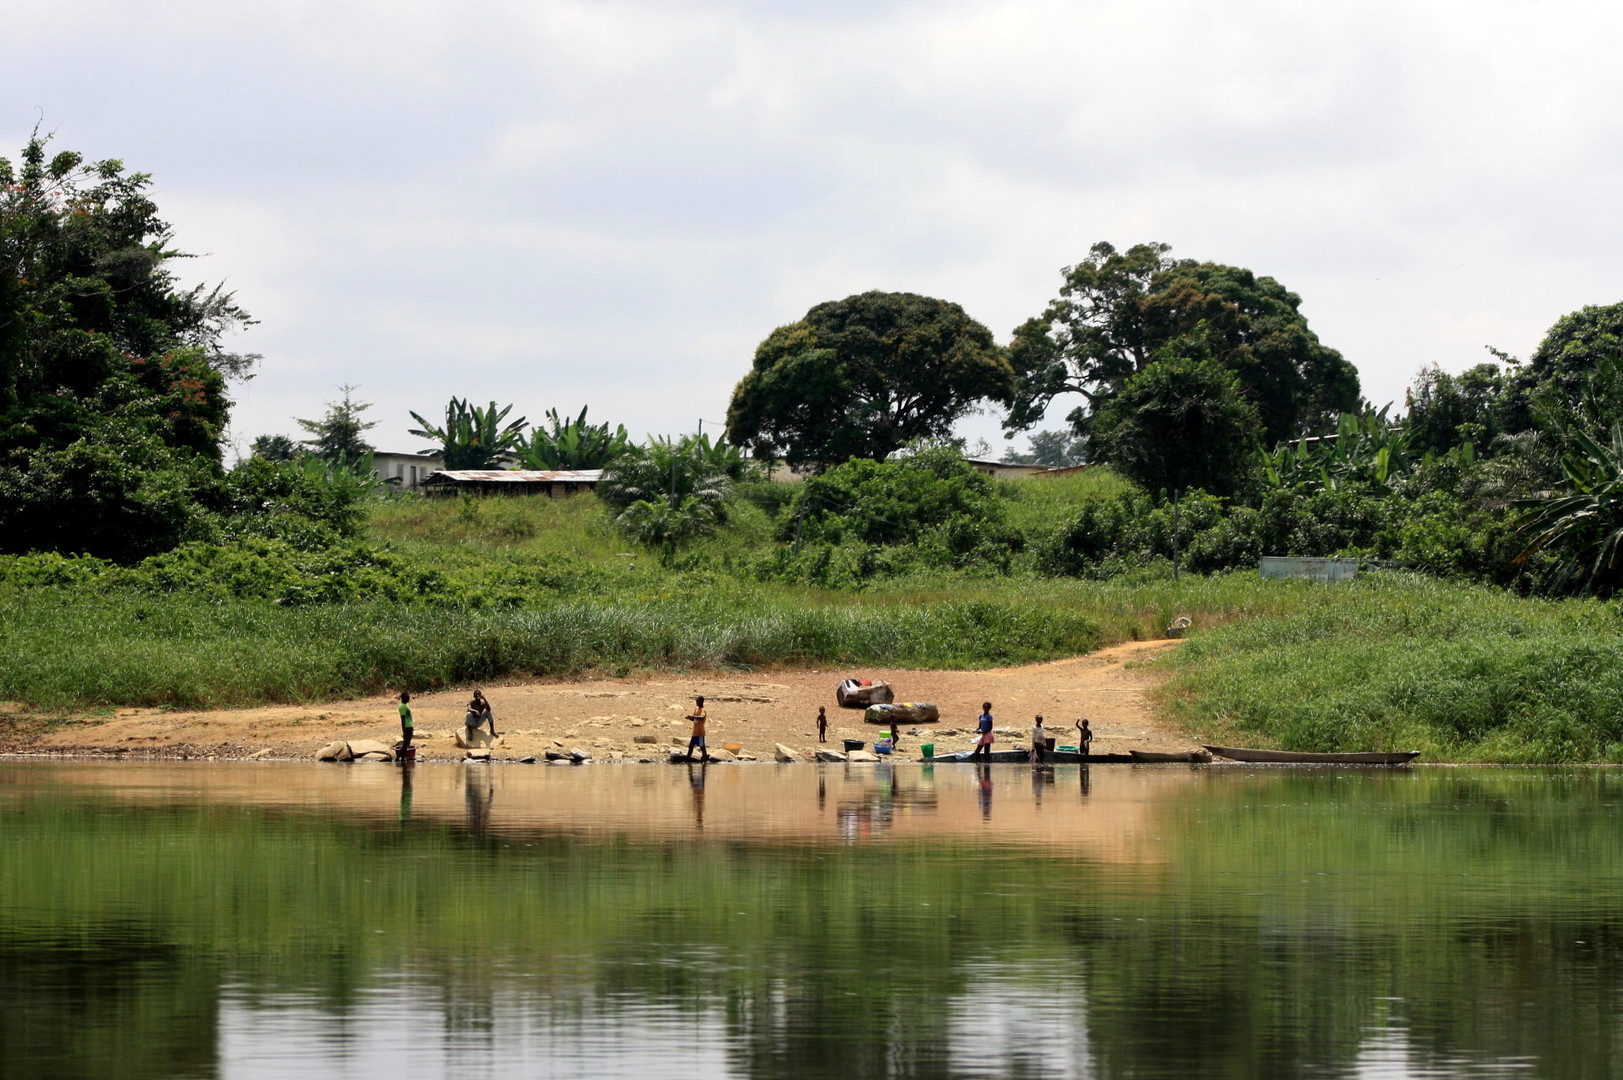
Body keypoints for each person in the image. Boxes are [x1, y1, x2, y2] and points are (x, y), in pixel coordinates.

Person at [687, 695, 711, 763]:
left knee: (702, 747)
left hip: (700, 733)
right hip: (695, 732)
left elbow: (702, 717)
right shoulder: (696, 709)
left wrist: (693, 716)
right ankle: (687, 760)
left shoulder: (703, 710)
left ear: (702, 702)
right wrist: (690, 718)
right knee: (691, 746)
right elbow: (694, 719)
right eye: (696, 701)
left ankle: (704, 759)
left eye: (698, 701)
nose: (697, 702)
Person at [397, 691, 414, 764]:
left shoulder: (405, 705)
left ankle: (403, 758)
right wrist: (404, 731)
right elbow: (403, 719)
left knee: (407, 744)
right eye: (407, 698)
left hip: (409, 725)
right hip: (407, 727)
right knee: (405, 744)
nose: (408, 699)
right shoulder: (402, 707)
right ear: (403, 698)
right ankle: (397, 758)